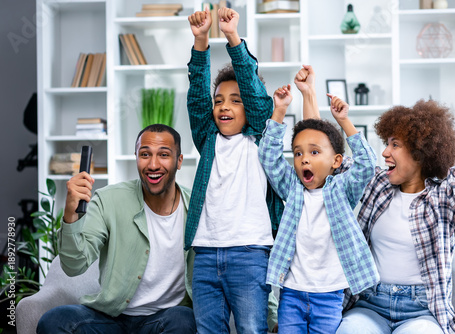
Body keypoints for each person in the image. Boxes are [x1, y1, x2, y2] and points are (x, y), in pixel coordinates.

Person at [335, 43, 455, 334]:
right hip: (370, 303)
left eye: (395, 145)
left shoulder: (446, 198)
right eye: (386, 143)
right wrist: (311, 96)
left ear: (421, 152)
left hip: (422, 310)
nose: (385, 153)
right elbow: (326, 162)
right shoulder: (378, 185)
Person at [37, 124, 196, 334]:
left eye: (164, 155)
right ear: (136, 157)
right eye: (145, 154)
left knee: (184, 320)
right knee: (54, 321)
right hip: (112, 319)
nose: (153, 164)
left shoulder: (195, 207)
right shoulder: (108, 200)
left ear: (179, 161)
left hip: (165, 320)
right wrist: (71, 215)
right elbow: (73, 265)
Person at [258, 66, 379, 333]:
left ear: (336, 161)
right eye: (299, 154)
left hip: (329, 294)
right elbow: (268, 156)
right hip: (291, 291)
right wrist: (278, 111)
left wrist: (344, 121)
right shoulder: (292, 188)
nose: (305, 159)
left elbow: (367, 165)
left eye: (314, 152)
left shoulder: (342, 190)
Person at [186, 7, 280, 334]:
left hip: (250, 254)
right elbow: (197, 97)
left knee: (252, 329)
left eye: (235, 100)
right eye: (219, 100)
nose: (224, 106)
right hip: (206, 256)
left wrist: (231, 38)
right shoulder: (207, 140)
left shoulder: (258, 136)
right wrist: (200, 41)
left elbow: (257, 97)